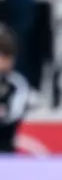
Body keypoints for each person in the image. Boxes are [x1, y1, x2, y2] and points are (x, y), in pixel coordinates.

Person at [0, 24, 30, 153]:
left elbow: (15, 113)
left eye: (9, 57)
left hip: (5, 147)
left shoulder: (17, 83)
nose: (6, 61)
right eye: (3, 56)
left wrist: (4, 114)